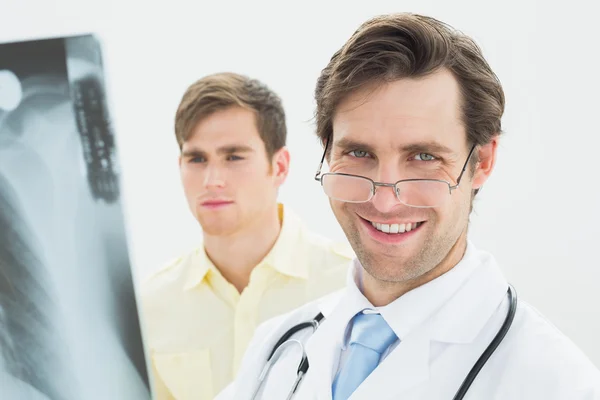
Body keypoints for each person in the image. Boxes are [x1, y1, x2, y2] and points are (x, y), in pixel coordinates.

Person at [215, 13, 600, 400]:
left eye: (423, 157)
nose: (383, 200)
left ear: (482, 161)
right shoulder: (276, 350)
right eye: (359, 152)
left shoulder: (556, 383)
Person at [139, 72, 354, 400]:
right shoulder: (151, 306)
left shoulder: (351, 284)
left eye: (233, 157)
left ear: (279, 167)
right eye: (196, 159)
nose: (212, 179)